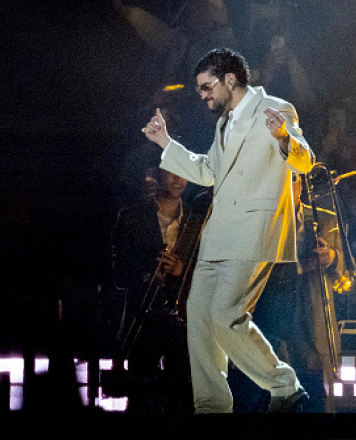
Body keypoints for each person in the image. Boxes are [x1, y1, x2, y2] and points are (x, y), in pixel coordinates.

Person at [141, 47, 315, 413]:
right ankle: (211, 407)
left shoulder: (276, 108)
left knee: (225, 314)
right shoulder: (225, 122)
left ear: (230, 80)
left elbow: (305, 159)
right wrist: (166, 144)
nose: (202, 95)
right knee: (200, 319)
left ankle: (285, 387)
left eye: (207, 87)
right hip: (217, 236)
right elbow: (208, 171)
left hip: (254, 232)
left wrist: (284, 137)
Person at [237, 172, 343, 413]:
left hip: (312, 324)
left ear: (303, 185)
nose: (287, 185)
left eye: (294, 179)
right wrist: (301, 266)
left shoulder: (324, 219)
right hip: (270, 321)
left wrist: (332, 257)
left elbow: (345, 271)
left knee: (316, 397)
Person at [109, 167, 202, 413]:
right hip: (142, 322)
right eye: (171, 172)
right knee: (141, 399)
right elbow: (118, 276)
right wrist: (148, 272)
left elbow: (212, 274)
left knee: (184, 397)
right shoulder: (130, 217)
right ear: (156, 174)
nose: (177, 179)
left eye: (183, 172)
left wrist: (182, 270)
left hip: (184, 322)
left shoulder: (197, 222)